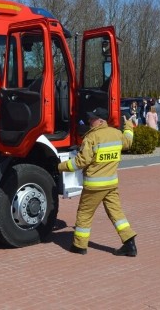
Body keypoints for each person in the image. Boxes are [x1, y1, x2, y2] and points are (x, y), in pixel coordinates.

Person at [58, 108, 137, 256]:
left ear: (101, 121)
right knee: (117, 214)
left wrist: (60, 166)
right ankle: (129, 243)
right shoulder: (116, 134)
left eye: (92, 119)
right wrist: (128, 125)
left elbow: (81, 161)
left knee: (84, 214)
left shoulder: (92, 137)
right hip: (111, 184)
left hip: (94, 186)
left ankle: (79, 246)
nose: (89, 121)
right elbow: (128, 141)